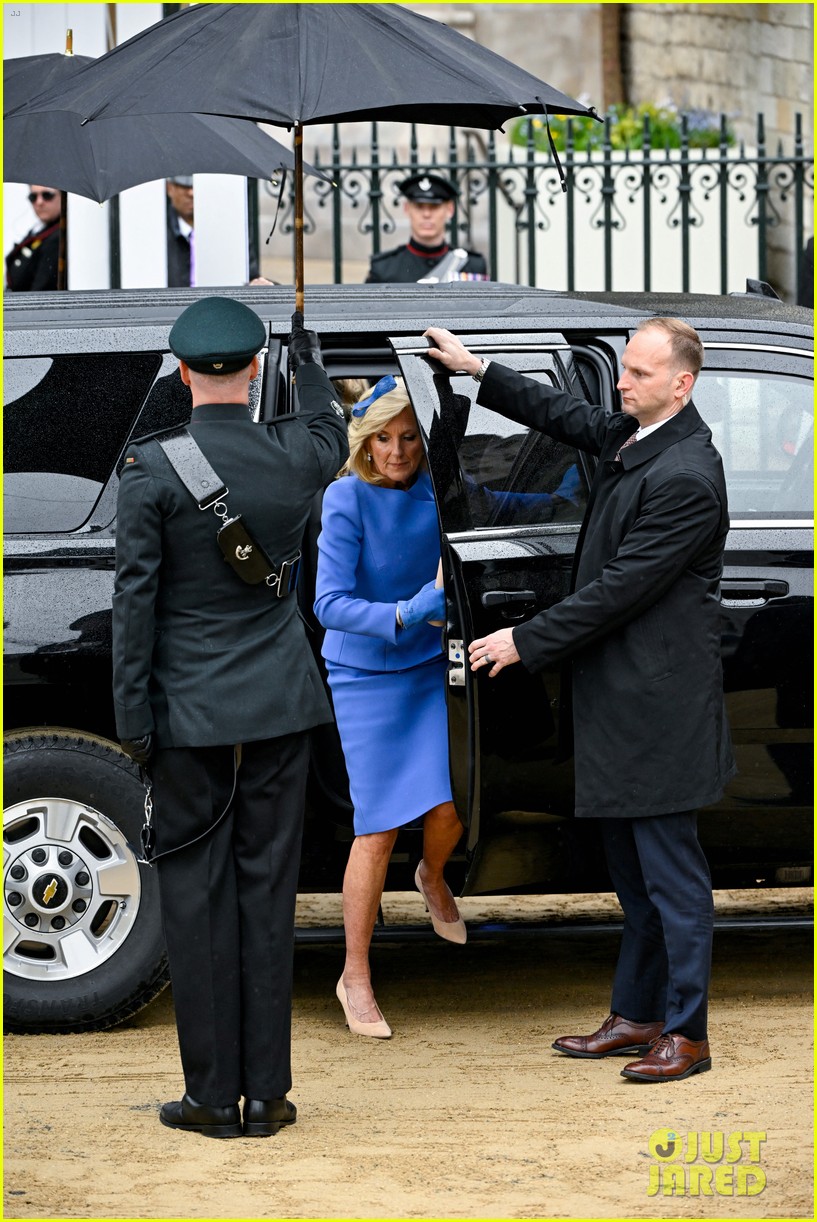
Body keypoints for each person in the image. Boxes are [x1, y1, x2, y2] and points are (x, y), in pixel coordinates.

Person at [424, 318, 736, 1083]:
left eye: (636, 372)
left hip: (659, 715)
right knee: (633, 878)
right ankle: (636, 1015)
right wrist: (477, 369)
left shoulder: (686, 475)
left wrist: (521, 641)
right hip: (624, 706)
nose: (621, 383)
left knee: (672, 882)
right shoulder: (640, 435)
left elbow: (617, 593)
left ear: (680, 383)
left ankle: (685, 1035)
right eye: (624, 369)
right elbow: (569, 417)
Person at [112, 297, 348, 1137]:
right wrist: (308, 350)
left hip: (186, 711)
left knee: (195, 898)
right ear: (252, 374)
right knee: (267, 893)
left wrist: (134, 719)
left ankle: (211, 1098)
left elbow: (135, 603)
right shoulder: (297, 453)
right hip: (280, 700)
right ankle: (270, 1095)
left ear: (182, 374)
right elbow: (332, 428)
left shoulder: (150, 468)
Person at [314, 375, 465, 1039]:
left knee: (447, 803)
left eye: (408, 438)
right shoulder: (344, 498)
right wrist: (408, 611)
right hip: (365, 674)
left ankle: (431, 874)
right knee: (375, 828)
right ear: (363, 442)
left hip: (429, 668)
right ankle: (355, 976)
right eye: (383, 438)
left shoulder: (438, 493)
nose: (396, 451)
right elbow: (328, 604)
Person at [366, 173, 488, 284]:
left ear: (450, 209)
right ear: (406, 209)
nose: (426, 214)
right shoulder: (383, 269)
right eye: (419, 206)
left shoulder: (471, 265)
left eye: (434, 206)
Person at [166, 175, 260, 286]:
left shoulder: (228, 232)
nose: (191, 193)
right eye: (184, 187)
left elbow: (252, 278)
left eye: (197, 186)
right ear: (170, 188)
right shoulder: (158, 235)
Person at [5, 185, 61, 291]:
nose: (39, 202)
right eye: (33, 197)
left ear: (62, 196)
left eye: (47, 195)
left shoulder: (58, 237)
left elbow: (42, 292)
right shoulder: (39, 230)